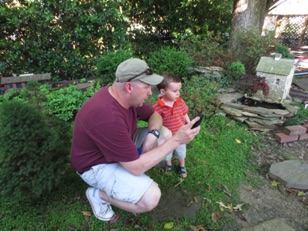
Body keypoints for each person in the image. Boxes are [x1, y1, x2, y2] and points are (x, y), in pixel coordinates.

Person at [70, 58, 201, 222]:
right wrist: (176, 141)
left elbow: (155, 116)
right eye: (146, 87)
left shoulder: (126, 98)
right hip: (95, 165)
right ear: (129, 87)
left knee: (164, 133)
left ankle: (127, 179)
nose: (150, 93)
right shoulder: (108, 117)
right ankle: (99, 195)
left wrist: (153, 134)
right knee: (150, 198)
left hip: (116, 147)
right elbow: (136, 168)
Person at [152, 73, 190, 178]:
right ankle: (169, 165)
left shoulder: (180, 102)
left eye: (179, 90)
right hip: (167, 137)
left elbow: (184, 113)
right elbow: (155, 121)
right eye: (174, 91)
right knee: (167, 152)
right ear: (163, 92)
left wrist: (189, 124)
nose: (178, 94)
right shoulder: (157, 107)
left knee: (181, 152)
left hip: (181, 135)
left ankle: (182, 165)